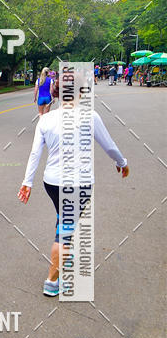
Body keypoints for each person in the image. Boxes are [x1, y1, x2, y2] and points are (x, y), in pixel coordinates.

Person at [18, 72, 129, 295]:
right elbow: (110, 146)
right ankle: (52, 280)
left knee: (64, 219)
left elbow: (34, 154)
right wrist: (122, 162)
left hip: (52, 182)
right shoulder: (91, 116)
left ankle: (65, 254)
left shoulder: (46, 119)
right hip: (79, 184)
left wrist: (27, 182)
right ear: (82, 91)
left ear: (56, 92)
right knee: (65, 231)